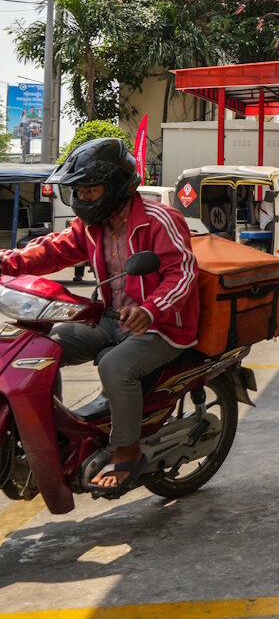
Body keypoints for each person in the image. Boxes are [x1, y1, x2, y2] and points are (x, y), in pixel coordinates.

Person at [0, 137, 198, 495]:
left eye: (90, 190)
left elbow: (182, 273)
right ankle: (48, 435)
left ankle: (127, 451)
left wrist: (151, 310)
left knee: (115, 367)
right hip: (110, 317)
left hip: (164, 326)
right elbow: (51, 251)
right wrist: (6, 261)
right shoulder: (91, 227)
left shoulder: (159, 219)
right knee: (38, 351)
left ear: (117, 186)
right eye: (79, 191)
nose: (82, 199)